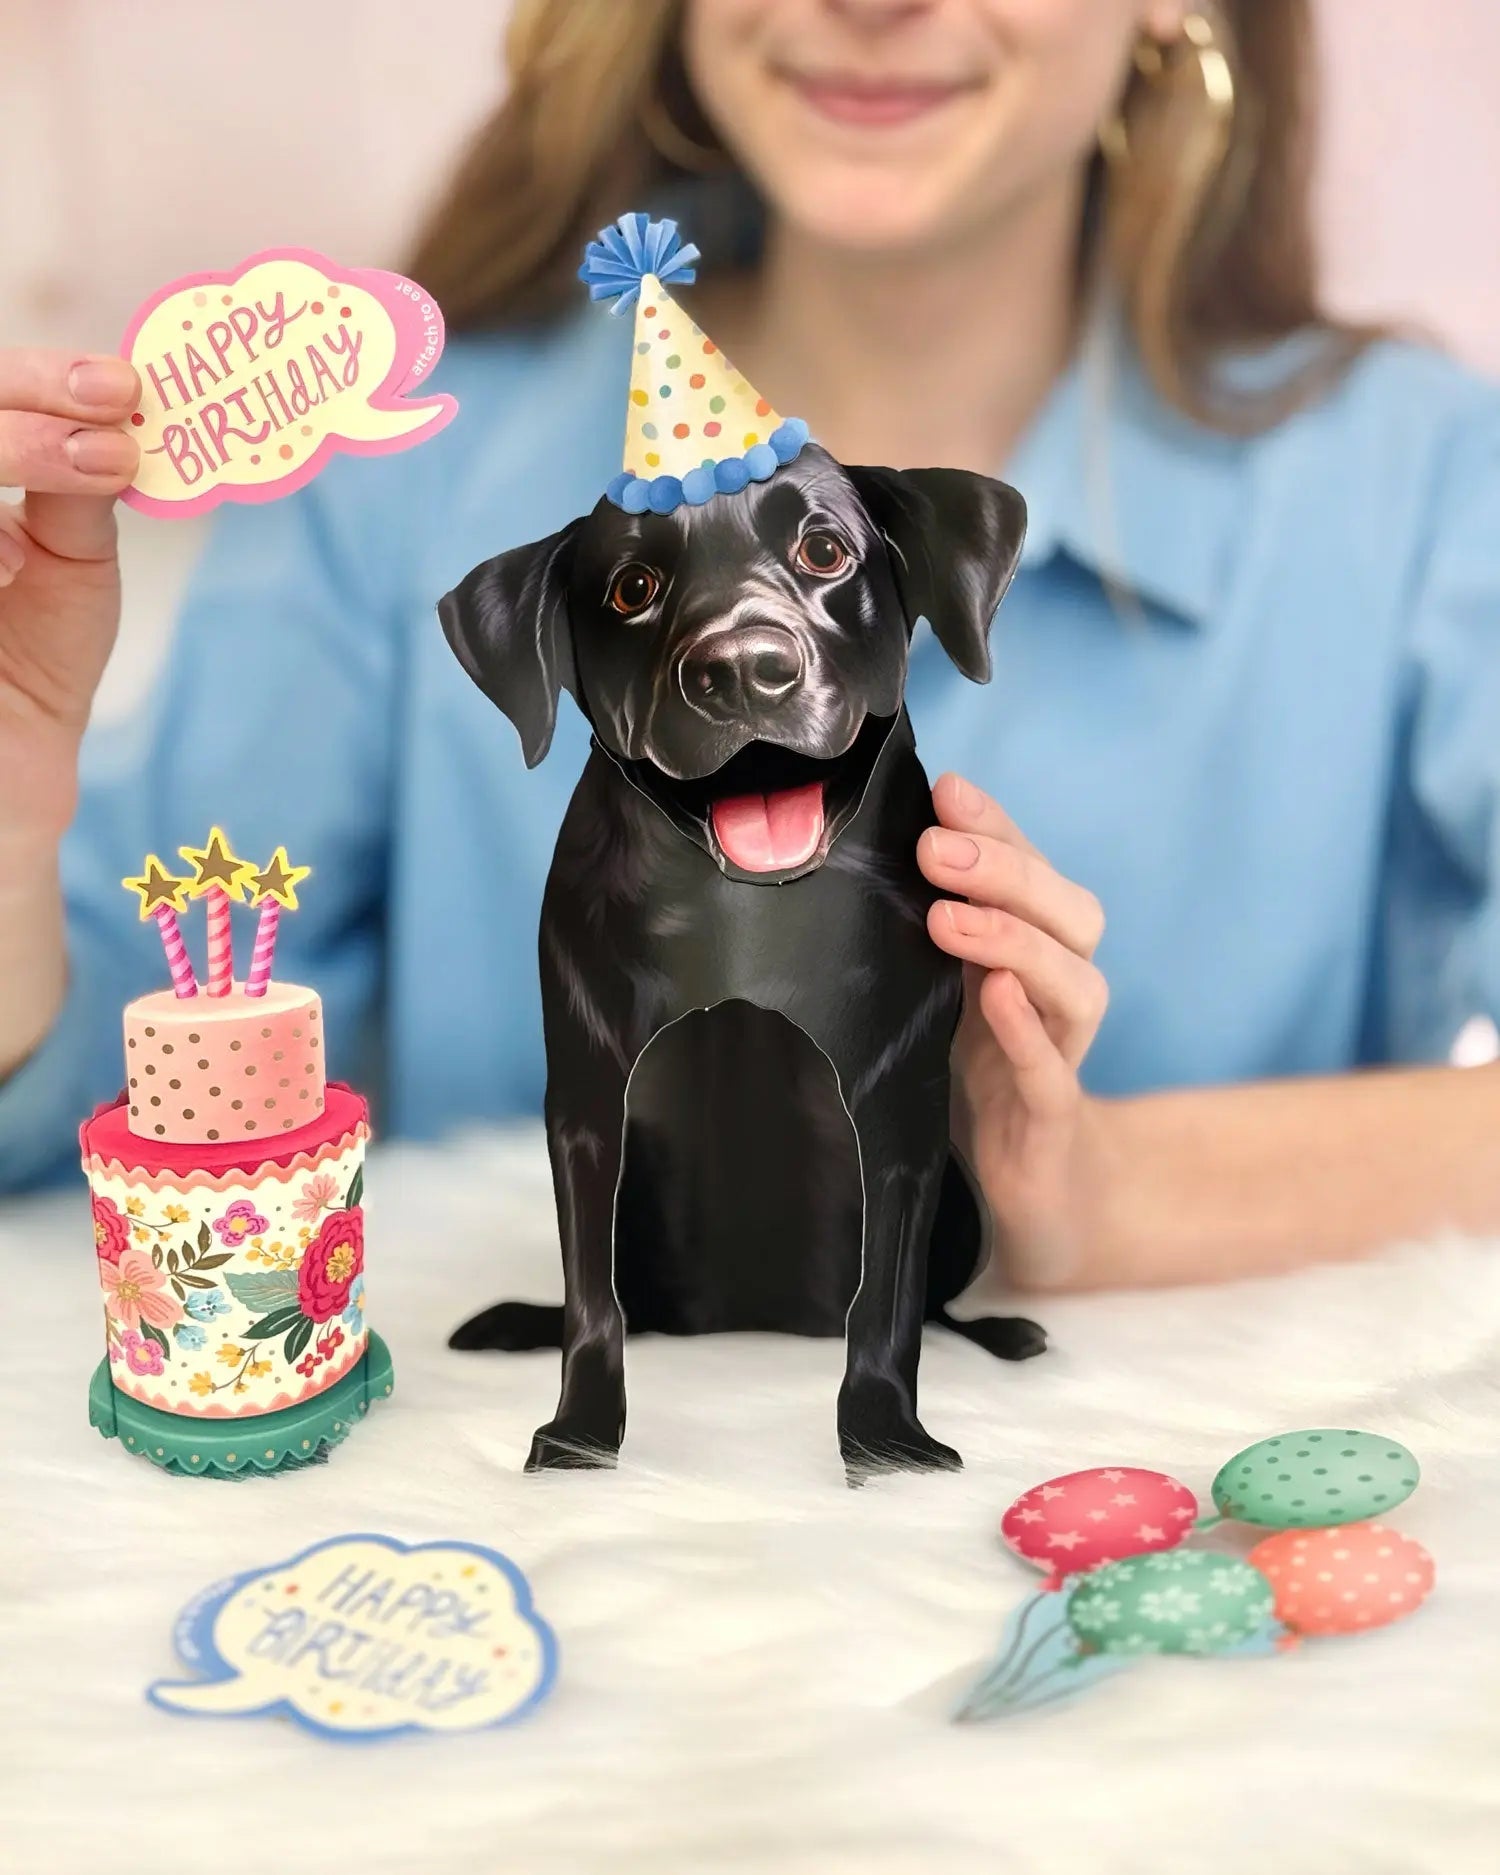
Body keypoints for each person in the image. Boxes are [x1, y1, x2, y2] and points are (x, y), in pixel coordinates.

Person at [1, 0, 1497, 1294]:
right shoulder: (402, 488)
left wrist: (1100, 1195)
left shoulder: (1419, 490)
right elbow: (119, 1086)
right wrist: (9, 828)